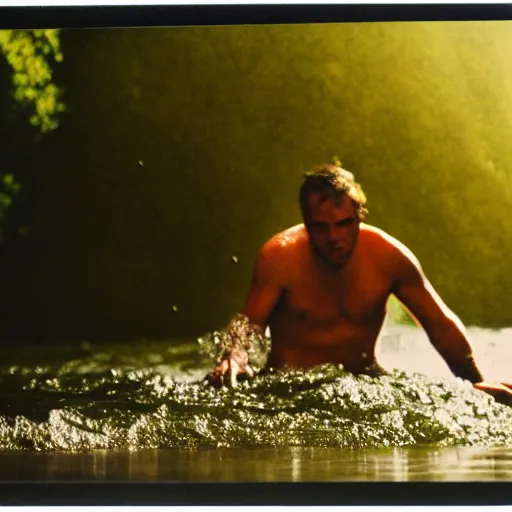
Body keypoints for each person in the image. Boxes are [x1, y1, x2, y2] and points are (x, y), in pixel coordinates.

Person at [207, 164, 512, 405]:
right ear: (305, 221)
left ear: (359, 217)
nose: (333, 238)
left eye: (343, 224)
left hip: (365, 386)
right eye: (320, 226)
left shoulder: (388, 256)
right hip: (289, 390)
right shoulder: (279, 256)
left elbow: (440, 326)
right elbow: (249, 325)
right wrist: (234, 358)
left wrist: (475, 382)